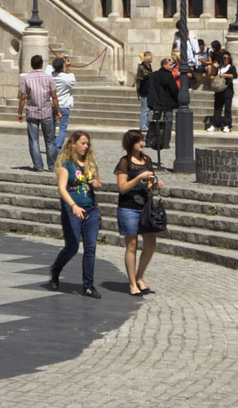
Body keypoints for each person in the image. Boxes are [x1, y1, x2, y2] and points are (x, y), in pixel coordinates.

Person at [47, 130, 102, 297]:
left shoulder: (90, 164)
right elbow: (62, 189)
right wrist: (73, 206)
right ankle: (55, 270)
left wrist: (95, 184)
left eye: (87, 144)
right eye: (82, 143)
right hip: (72, 209)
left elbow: (99, 184)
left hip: (90, 209)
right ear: (73, 144)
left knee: (90, 247)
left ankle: (88, 285)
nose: (86, 146)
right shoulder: (67, 165)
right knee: (72, 247)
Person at [114, 129, 162, 296]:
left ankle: (139, 276)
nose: (142, 143)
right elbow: (122, 188)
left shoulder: (147, 160)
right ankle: (132, 284)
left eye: (142, 140)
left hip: (145, 208)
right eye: (138, 141)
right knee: (132, 245)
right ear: (130, 144)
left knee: (151, 244)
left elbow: (148, 186)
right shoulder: (124, 162)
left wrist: (154, 186)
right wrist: (138, 178)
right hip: (128, 207)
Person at [18, 54, 58, 173]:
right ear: (41, 64)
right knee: (50, 140)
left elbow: (23, 97)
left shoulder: (26, 79)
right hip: (46, 111)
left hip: (32, 112)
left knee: (34, 141)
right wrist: (58, 110)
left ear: (31, 65)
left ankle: (38, 166)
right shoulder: (49, 78)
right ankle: (52, 166)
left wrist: (19, 112)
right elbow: (54, 96)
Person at [144, 56, 182, 161]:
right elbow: (174, 89)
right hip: (167, 103)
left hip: (156, 102)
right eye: (170, 64)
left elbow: (149, 87)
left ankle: (149, 140)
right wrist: (178, 99)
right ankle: (165, 142)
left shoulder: (154, 75)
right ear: (164, 65)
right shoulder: (168, 76)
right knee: (168, 122)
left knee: (154, 121)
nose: (172, 66)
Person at [50, 56, 78, 162]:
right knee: (61, 129)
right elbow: (72, 80)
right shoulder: (66, 78)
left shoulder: (50, 76)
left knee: (55, 129)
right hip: (63, 107)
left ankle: (53, 147)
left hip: (52, 105)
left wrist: (58, 60)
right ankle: (56, 150)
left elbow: (49, 67)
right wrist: (68, 67)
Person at [207, 46, 236, 132]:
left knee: (227, 108)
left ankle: (227, 125)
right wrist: (214, 68)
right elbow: (212, 75)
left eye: (227, 58)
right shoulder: (219, 67)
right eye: (224, 58)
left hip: (227, 89)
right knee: (217, 108)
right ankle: (215, 124)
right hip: (219, 90)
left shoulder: (231, 67)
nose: (226, 59)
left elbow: (234, 75)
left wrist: (224, 75)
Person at [134, 50, 157, 131]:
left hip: (150, 90)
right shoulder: (142, 67)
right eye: (150, 57)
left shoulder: (149, 66)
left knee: (150, 110)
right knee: (145, 109)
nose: (152, 58)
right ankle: (143, 126)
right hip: (145, 90)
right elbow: (145, 75)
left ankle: (147, 125)